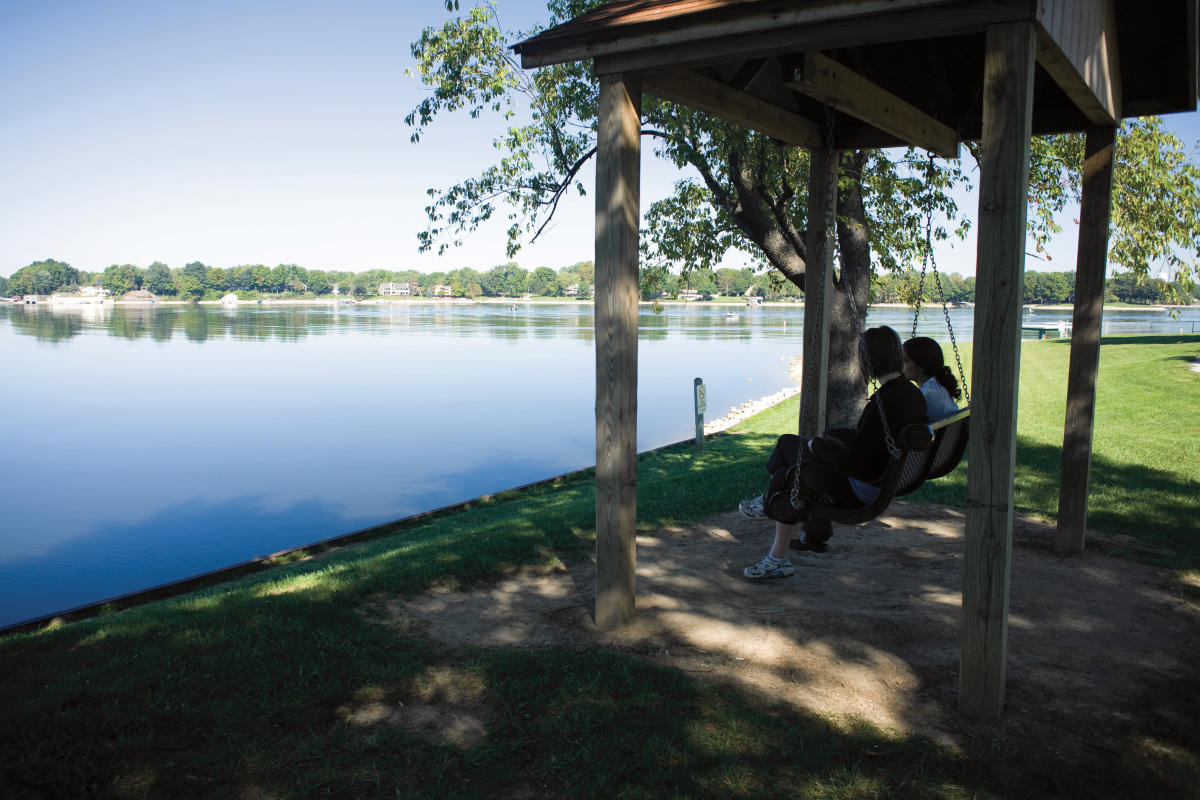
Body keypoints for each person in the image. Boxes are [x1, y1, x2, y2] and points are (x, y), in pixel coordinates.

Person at [738, 326, 927, 579]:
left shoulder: (885, 402)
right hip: (882, 478)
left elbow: (858, 466)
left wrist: (821, 450)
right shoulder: (909, 393)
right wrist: (838, 444)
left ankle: (772, 513)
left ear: (868, 360)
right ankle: (788, 525)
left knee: (787, 471)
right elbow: (873, 445)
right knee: (790, 455)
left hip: (863, 488)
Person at [902, 336, 961, 421]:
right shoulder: (936, 387)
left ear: (921, 366)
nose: (900, 366)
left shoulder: (929, 394)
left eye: (905, 361)